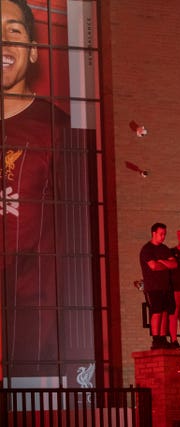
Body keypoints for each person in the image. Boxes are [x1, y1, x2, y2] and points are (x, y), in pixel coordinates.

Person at [1, 0, 74, 375]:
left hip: (32, 319)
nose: (2, 42)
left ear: (31, 51)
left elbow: (77, 225)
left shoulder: (56, 127)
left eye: (13, 31)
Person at [139, 223, 177, 349]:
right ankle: (156, 339)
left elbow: (174, 264)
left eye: (164, 234)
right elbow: (153, 266)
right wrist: (165, 264)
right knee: (156, 312)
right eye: (161, 234)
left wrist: (162, 262)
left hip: (165, 286)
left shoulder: (164, 249)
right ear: (153, 233)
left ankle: (162, 337)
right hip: (153, 287)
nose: (163, 237)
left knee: (165, 312)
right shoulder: (147, 249)